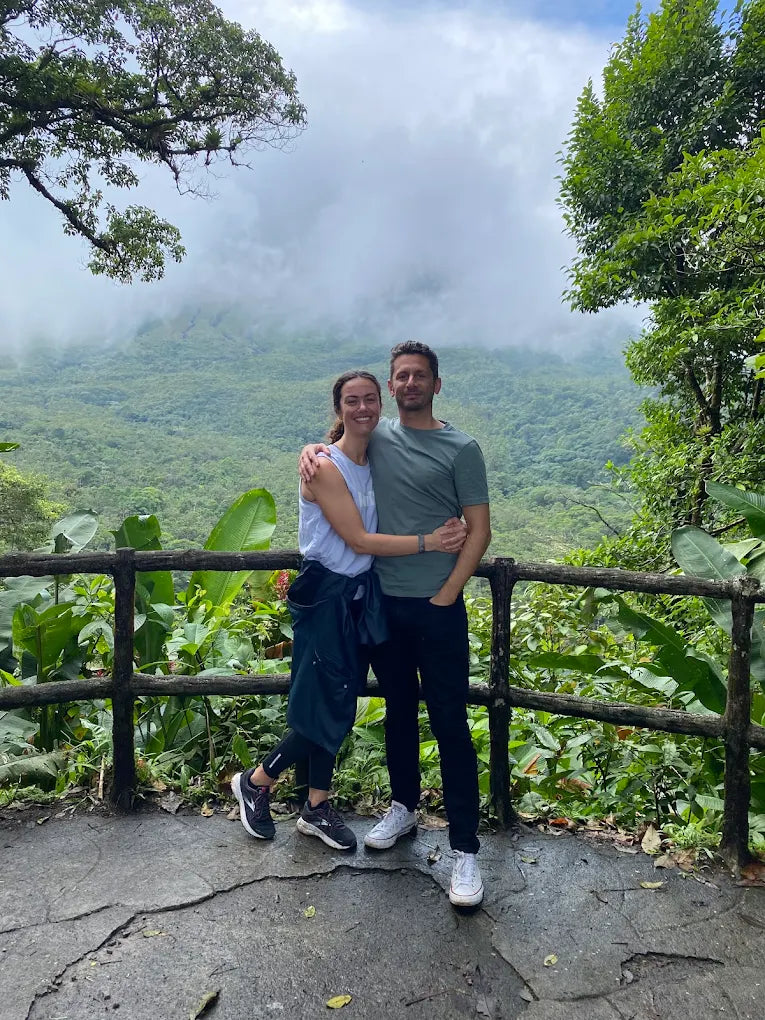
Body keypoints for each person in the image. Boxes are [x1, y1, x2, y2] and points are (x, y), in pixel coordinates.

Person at [232, 370, 466, 854]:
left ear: (381, 404)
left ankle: (316, 805)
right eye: (352, 401)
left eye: (370, 400)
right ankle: (257, 780)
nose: (362, 408)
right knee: (328, 699)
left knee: (339, 696)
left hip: (361, 593)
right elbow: (358, 540)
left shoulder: (372, 454)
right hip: (327, 595)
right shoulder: (325, 467)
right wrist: (431, 542)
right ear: (338, 409)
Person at [299, 341, 492, 907]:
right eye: (401, 376)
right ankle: (404, 806)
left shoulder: (462, 448)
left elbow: (480, 530)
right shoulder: (376, 434)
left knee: (451, 724)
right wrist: (310, 450)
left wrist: (446, 594)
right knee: (400, 713)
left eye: (419, 376)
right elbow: (339, 447)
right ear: (391, 387)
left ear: (436, 384)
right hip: (384, 604)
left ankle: (465, 850)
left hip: (437, 606)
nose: (410, 383)